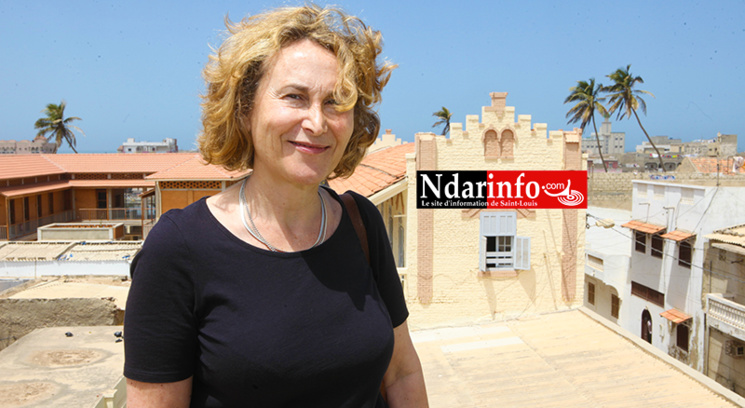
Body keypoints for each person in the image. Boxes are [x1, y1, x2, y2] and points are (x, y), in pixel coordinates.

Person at [123, 5, 429, 407]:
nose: (317, 123)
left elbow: (402, 372)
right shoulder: (180, 247)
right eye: (294, 97)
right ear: (245, 109)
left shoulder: (361, 222)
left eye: (336, 102)